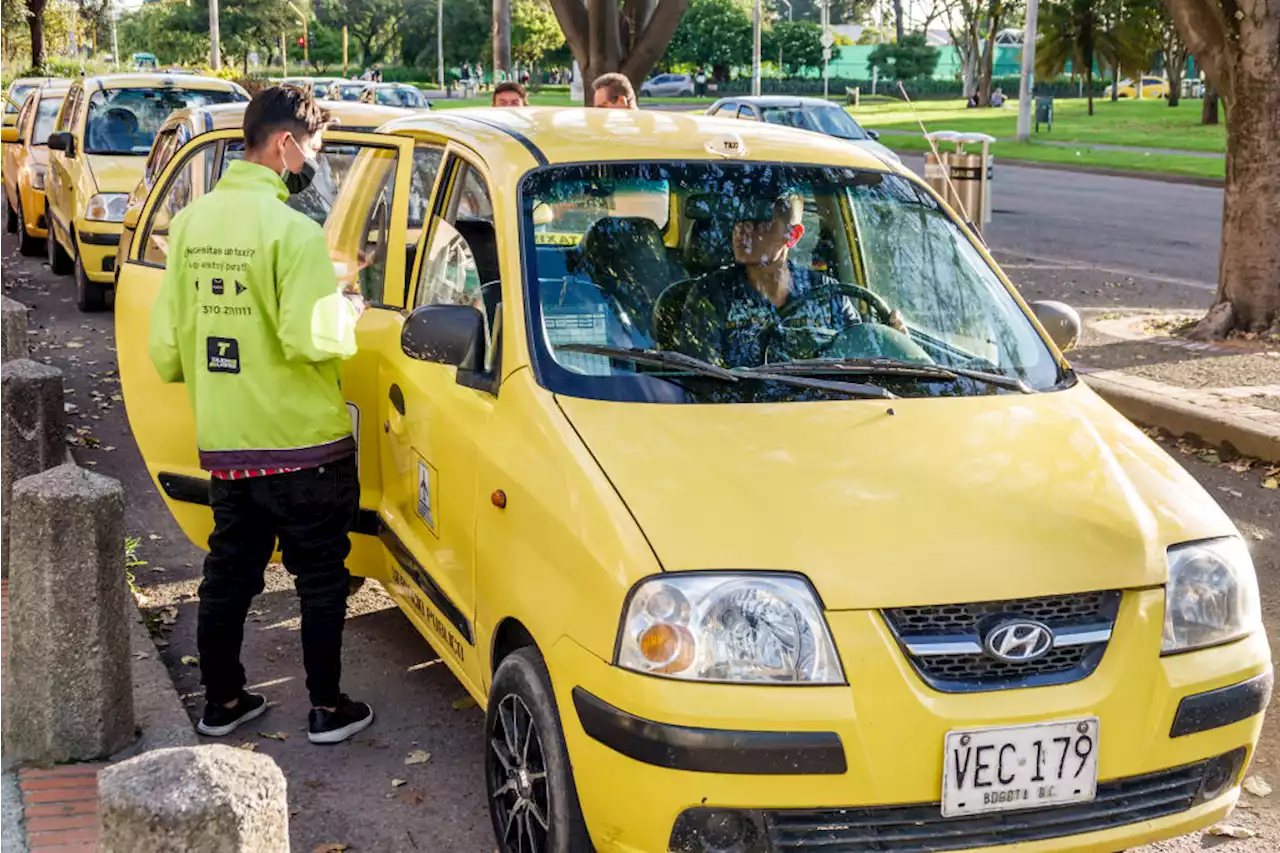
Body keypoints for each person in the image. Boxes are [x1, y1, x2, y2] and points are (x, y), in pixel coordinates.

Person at [149, 86, 375, 746]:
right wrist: (350, 313)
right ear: (285, 144)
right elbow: (313, 337)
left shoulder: (189, 225)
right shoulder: (293, 233)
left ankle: (222, 700)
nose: (312, 161)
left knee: (228, 574)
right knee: (321, 579)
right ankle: (327, 708)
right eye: (314, 149)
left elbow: (166, 351)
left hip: (228, 443)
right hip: (305, 445)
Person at [677, 194, 901, 368]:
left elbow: (861, 357)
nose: (742, 232)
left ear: (793, 235)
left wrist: (895, 340)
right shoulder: (711, 295)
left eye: (760, 224)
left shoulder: (829, 295)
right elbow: (703, 380)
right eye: (738, 222)